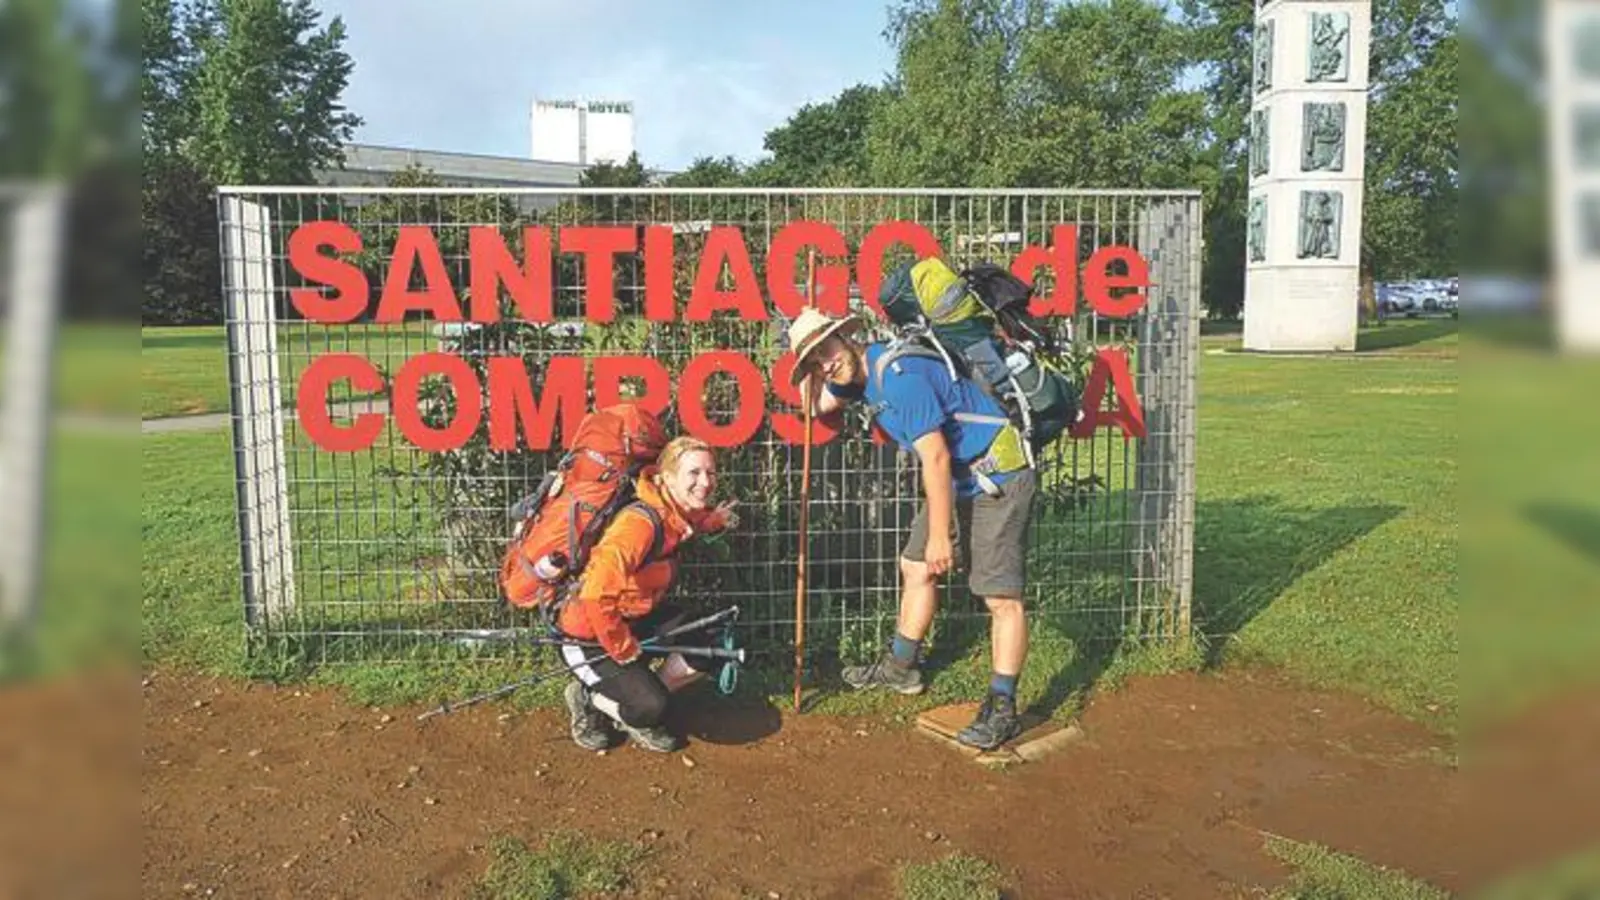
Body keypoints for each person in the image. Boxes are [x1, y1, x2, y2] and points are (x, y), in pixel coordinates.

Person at [786, 307, 1037, 750]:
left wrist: (941, 535)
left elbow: (935, 458)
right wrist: (804, 360)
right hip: (962, 477)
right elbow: (814, 406)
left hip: (998, 474)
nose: (826, 362)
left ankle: (1003, 705)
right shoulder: (855, 378)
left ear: (846, 337)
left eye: (827, 348)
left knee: (999, 595)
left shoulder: (898, 376)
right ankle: (902, 667)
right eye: (815, 360)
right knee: (915, 565)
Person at [557, 436, 738, 753]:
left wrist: (710, 522)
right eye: (694, 473)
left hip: (635, 616)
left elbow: (684, 524)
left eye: (710, 473)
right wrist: (624, 648)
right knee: (650, 707)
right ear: (667, 478)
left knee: (708, 640)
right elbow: (595, 593)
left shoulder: (673, 508)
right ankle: (591, 700)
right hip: (589, 633)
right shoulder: (638, 525)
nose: (705, 482)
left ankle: (643, 699)